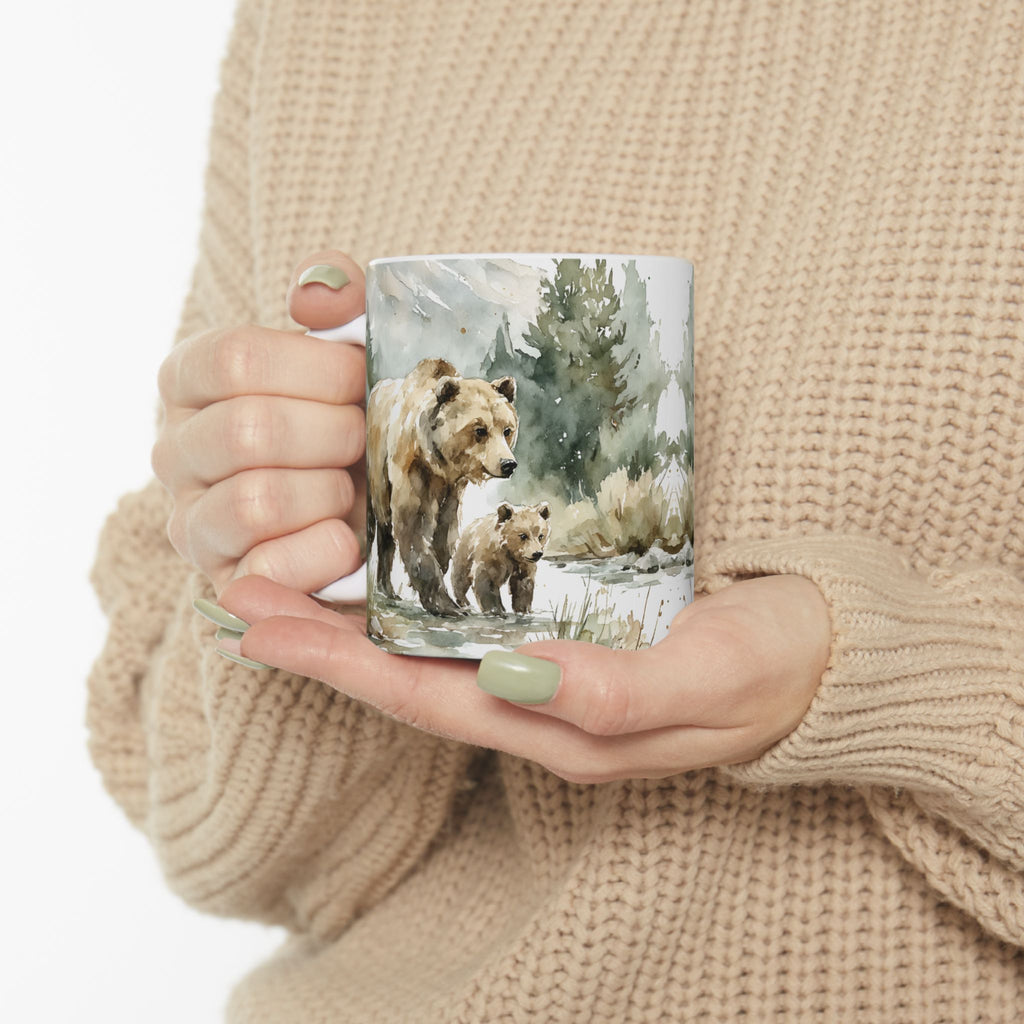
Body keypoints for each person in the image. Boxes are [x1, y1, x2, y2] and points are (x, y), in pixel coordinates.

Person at [87, 0, 1024, 1020]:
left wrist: (889, 676)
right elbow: (209, 834)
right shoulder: (320, 29)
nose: (506, 461)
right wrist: (306, 568)